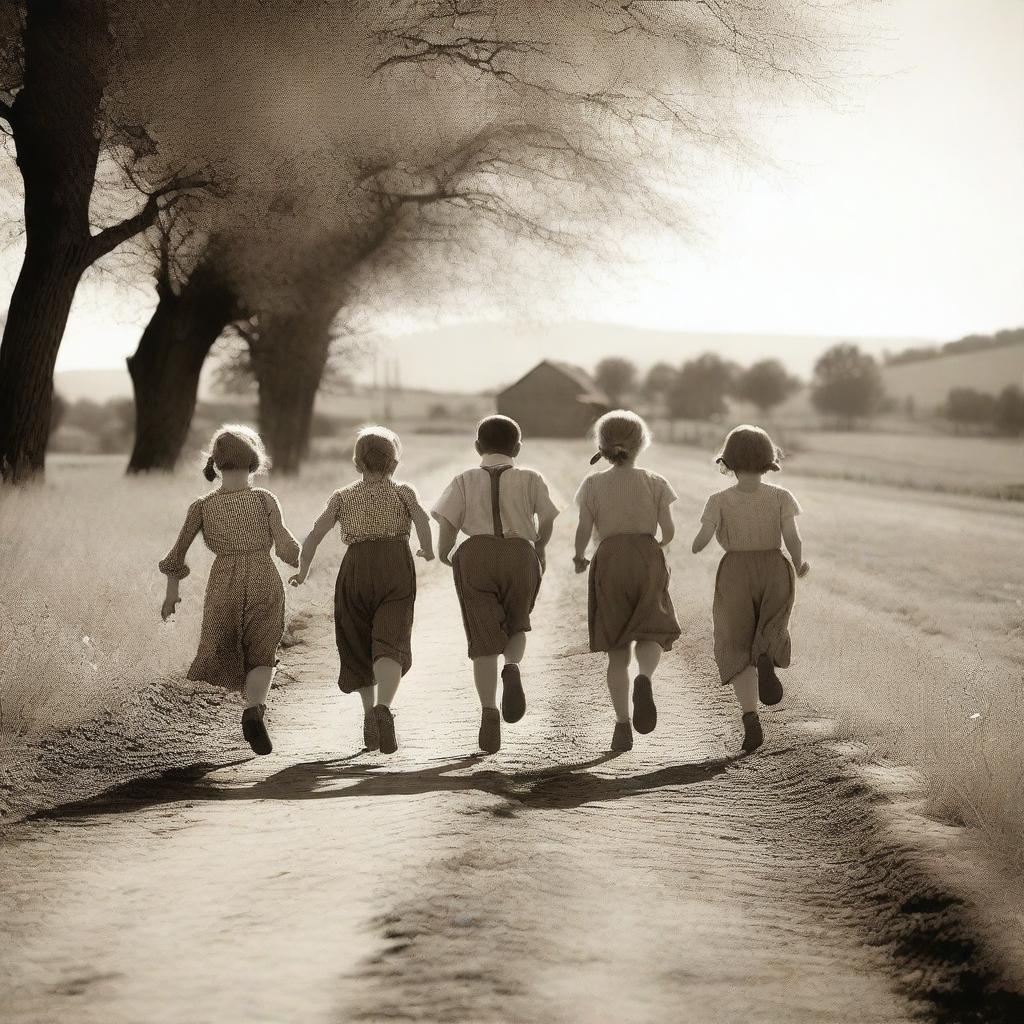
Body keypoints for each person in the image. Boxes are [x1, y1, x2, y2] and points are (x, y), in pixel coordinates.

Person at [289, 426, 433, 754]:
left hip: (355, 568)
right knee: (390, 638)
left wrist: (303, 570)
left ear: (357, 464)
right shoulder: (404, 492)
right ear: (394, 464)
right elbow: (423, 521)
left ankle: (369, 714)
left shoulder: (342, 497)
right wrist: (427, 549)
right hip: (395, 564)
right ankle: (384, 707)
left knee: (357, 638)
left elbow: (314, 534)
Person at [159, 425, 300, 756]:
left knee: (222, 645)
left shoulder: (202, 506)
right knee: (263, 649)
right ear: (254, 462)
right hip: (263, 577)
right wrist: (302, 562)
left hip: (223, 580)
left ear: (216, 464)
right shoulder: (265, 499)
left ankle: (236, 708)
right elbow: (285, 545)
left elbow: (176, 554)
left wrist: (171, 594)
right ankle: (254, 708)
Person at [432, 415, 559, 754]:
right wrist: (540, 547)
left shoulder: (463, 479)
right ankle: (513, 667)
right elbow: (547, 516)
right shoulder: (531, 478)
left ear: (477, 447)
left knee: (483, 637)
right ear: (517, 447)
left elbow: (447, 520)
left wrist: (445, 552)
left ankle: (489, 711)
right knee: (518, 622)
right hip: (520, 552)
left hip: (476, 553)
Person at [691, 424, 810, 754]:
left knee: (735, 640)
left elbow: (702, 539)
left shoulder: (719, 500)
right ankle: (767, 654)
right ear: (768, 459)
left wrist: (697, 545)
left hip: (735, 572)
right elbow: (793, 538)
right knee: (773, 624)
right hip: (774, 567)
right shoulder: (781, 496)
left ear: (727, 461)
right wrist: (799, 563)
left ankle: (750, 717)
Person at [573, 410, 681, 752]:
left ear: (601, 445)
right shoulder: (656, 482)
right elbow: (669, 531)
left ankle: (622, 726)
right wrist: (658, 548)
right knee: (651, 626)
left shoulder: (592, 484)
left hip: (609, 560)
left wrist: (580, 556)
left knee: (616, 651)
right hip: (646, 556)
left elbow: (583, 530)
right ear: (642, 444)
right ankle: (645, 678)